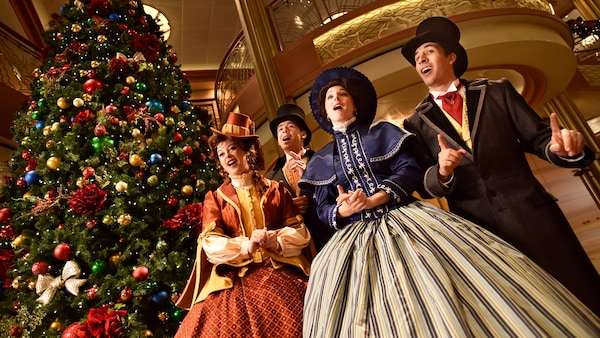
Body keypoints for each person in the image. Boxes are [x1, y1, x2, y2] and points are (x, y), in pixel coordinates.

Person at [298, 66, 600, 337]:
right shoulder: (323, 158)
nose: (336, 99)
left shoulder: (385, 132)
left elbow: (409, 170)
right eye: (329, 98)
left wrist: (378, 197)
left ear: (355, 103)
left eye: (342, 94)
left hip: (406, 221)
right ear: (324, 113)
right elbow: (323, 207)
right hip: (354, 239)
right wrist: (343, 209)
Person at [401, 16, 600, 315]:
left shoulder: (497, 90)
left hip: (532, 215)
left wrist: (561, 149)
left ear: (451, 56)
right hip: (480, 230)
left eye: (428, 51)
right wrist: (441, 172)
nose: (421, 60)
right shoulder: (415, 122)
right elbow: (423, 183)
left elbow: (539, 139)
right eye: (417, 58)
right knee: (519, 311)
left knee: (577, 292)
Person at [174, 112, 312, 338]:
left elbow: (299, 231)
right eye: (220, 153)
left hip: (278, 268)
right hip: (233, 277)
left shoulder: (276, 189)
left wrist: (275, 241)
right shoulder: (216, 197)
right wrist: (246, 246)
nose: (226, 156)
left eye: (232, 149)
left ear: (249, 152)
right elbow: (210, 243)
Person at [265, 103, 335, 252]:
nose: (284, 130)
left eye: (290, 126)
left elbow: (337, 192)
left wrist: (310, 181)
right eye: (280, 129)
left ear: (303, 134)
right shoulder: (271, 178)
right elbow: (270, 216)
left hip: (330, 235)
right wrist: (289, 209)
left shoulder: (324, 159)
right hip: (299, 249)